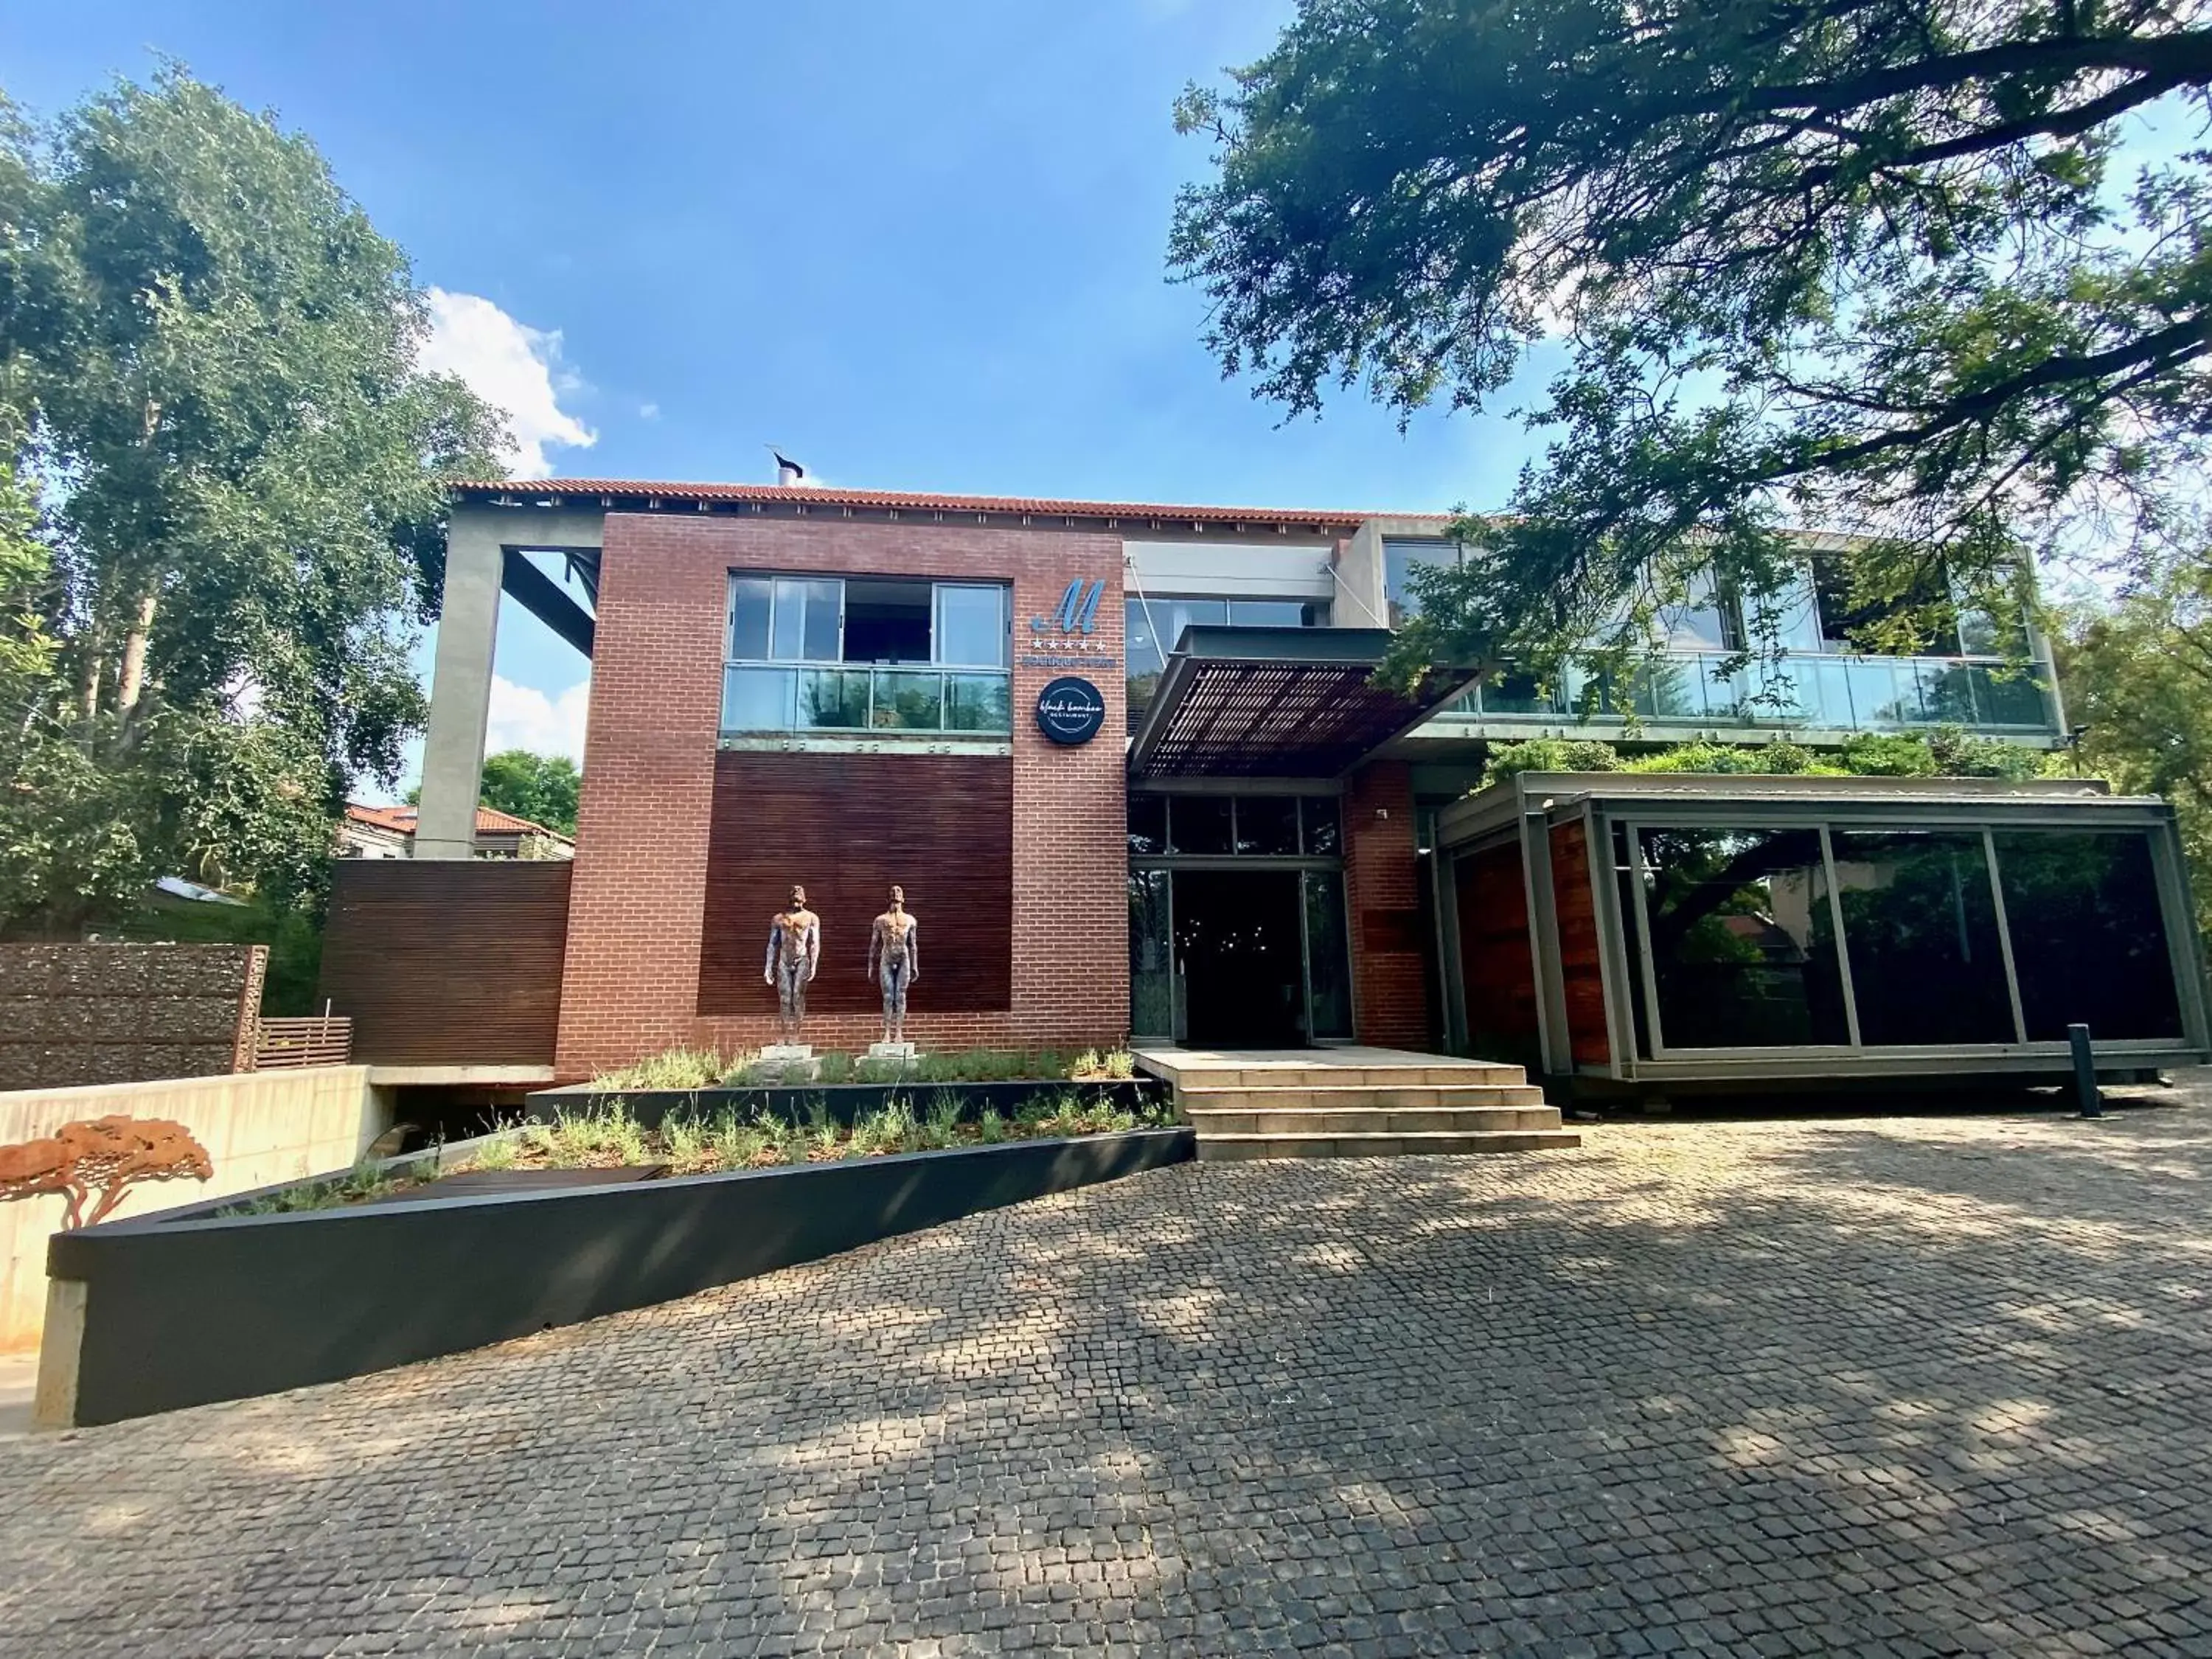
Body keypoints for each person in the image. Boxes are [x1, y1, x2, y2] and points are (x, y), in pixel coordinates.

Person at [763, 885, 821, 1041]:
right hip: (784, 960)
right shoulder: (779, 919)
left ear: (804, 899)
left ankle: (796, 1033)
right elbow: (772, 944)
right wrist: (768, 967)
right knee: (785, 997)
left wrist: (814, 965)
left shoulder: (811, 918)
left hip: (802, 959)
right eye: (794, 894)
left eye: (799, 894)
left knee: (797, 995)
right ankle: (784, 1033)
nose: (796, 896)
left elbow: (815, 943)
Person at [866, 884, 920, 1046]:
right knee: (888, 996)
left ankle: (899, 1033)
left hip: (903, 956)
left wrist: (915, 965)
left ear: (903, 898)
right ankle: (887, 1033)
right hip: (887, 956)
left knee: (901, 995)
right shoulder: (880, 920)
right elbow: (873, 945)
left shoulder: (910, 920)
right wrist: (870, 966)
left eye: (899, 892)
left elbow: (913, 944)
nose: (896, 894)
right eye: (893, 892)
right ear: (889, 897)